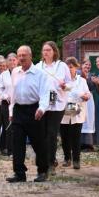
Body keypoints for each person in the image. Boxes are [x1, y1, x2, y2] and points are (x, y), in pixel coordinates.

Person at [6, 45, 50, 183]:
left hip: (34, 109)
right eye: (19, 55)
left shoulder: (40, 74)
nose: (21, 58)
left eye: (24, 55)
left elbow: (45, 94)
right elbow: (12, 93)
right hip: (19, 110)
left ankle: (42, 171)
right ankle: (19, 173)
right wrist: (11, 110)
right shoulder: (15, 72)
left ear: (30, 56)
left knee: (38, 142)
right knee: (17, 142)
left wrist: (42, 109)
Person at [36, 41, 71, 174]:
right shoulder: (38, 66)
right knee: (43, 134)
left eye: (48, 50)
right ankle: (46, 160)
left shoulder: (62, 66)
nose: (46, 52)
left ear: (54, 52)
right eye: (44, 50)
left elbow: (70, 83)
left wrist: (64, 86)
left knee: (52, 133)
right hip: (43, 103)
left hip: (58, 103)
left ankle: (51, 163)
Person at [60, 57, 91, 169]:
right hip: (63, 111)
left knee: (76, 137)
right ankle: (67, 158)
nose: (69, 70)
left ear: (76, 67)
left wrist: (87, 96)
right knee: (65, 137)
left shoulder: (81, 80)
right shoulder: (61, 81)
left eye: (71, 67)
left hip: (77, 110)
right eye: (67, 68)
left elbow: (88, 93)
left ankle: (76, 160)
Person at [79, 59, 96, 152]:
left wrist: (95, 82)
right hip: (81, 98)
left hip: (89, 99)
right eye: (86, 64)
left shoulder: (91, 76)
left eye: (89, 65)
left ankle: (88, 144)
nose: (88, 66)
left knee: (88, 120)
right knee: (80, 119)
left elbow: (93, 89)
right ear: (81, 65)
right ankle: (80, 143)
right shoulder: (78, 75)